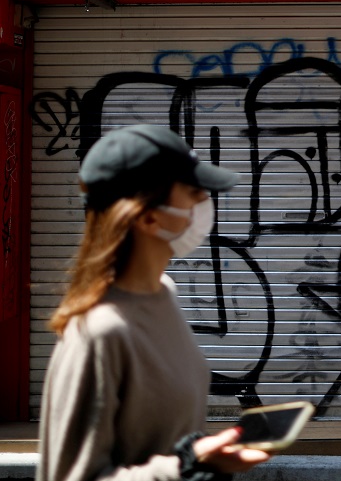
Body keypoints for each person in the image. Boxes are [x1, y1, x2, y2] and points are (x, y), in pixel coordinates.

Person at [37, 124, 271, 481]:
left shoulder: (165, 293)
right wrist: (186, 466)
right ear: (148, 216)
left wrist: (202, 455)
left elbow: (163, 439)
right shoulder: (99, 332)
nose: (204, 203)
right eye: (193, 192)